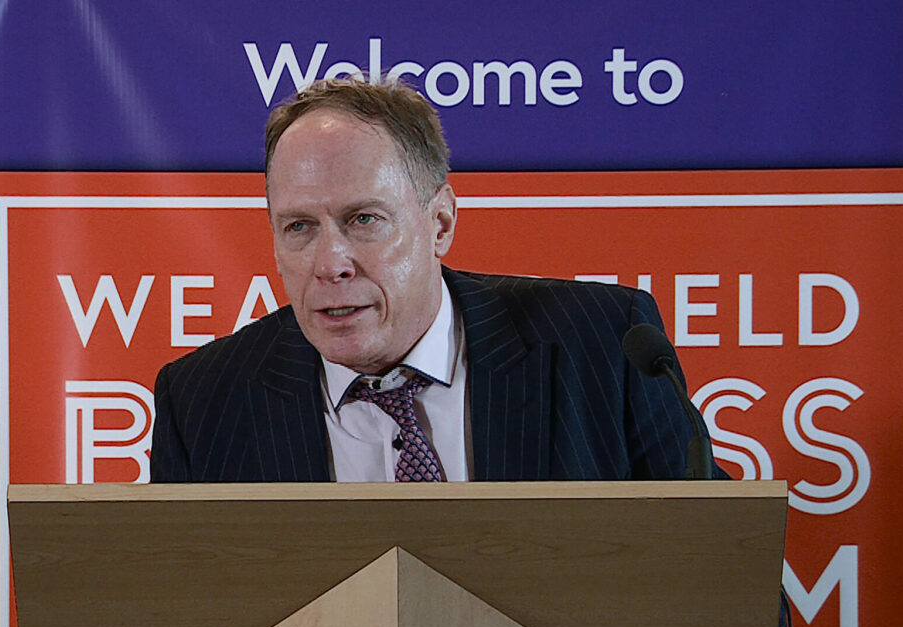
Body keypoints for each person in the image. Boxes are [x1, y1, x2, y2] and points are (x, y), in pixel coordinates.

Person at [150, 76, 714, 483]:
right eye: (299, 226)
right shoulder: (204, 402)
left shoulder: (604, 345)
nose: (330, 262)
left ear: (439, 222)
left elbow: (731, 598)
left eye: (363, 220)